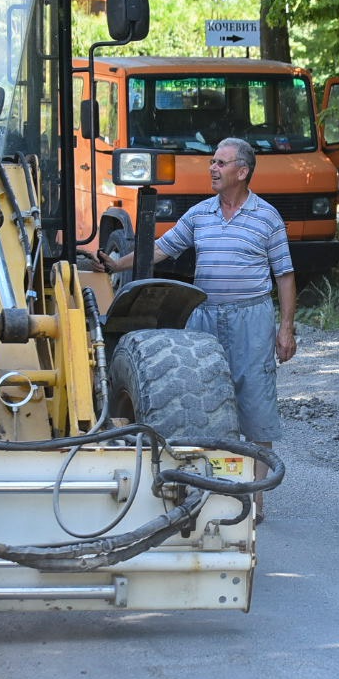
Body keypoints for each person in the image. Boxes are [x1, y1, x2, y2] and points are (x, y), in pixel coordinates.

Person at [97, 138, 296, 502]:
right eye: (212, 162)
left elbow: (284, 274)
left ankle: (254, 496)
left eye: (221, 163)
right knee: (201, 396)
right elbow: (160, 248)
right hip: (203, 315)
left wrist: (285, 327)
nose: (212, 168)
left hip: (251, 318)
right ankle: (203, 486)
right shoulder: (200, 213)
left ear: (242, 171)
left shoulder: (267, 217)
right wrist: (116, 264)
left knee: (254, 399)